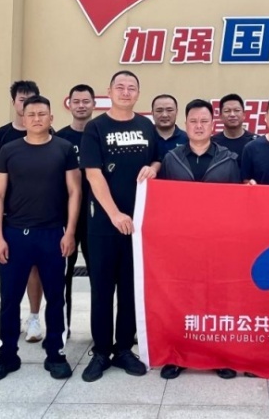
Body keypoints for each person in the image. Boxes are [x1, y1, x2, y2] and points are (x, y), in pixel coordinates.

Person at [0, 96, 80, 382]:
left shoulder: (63, 149)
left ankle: (56, 353)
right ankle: (7, 355)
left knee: (56, 298)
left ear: (51, 118)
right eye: (32, 114)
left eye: (42, 114)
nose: (37, 119)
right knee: (9, 299)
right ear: (23, 118)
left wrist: (70, 232)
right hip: (14, 235)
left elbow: (74, 192)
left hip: (53, 234)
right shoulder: (9, 150)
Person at [80, 71, 160, 382]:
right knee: (102, 289)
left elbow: (157, 159)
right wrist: (114, 214)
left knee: (130, 288)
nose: (126, 92)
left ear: (138, 93)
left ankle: (124, 348)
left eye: (132, 88)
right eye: (120, 87)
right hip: (104, 223)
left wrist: (153, 168)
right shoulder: (96, 127)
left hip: (138, 224)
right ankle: (101, 351)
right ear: (110, 91)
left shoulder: (146, 126)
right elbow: (93, 174)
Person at [158, 99, 241, 381]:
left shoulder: (229, 159)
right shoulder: (172, 159)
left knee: (217, 300)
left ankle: (220, 356)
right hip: (182, 244)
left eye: (204, 121)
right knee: (181, 298)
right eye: (193, 121)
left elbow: (238, 202)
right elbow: (163, 202)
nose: (198, 126)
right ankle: (177, 355)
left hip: (219, 243)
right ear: (185, 124)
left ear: (213, 125)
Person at [0, 80, 47, 343]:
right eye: (22, 100)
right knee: (9, 276)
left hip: (41, 220)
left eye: (32, 99)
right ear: (14, 103)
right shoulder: (2, 136)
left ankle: (34, 317)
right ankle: (9, 324)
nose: (27, 104)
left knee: (35, 270)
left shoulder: (51, 134)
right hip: (9, 219)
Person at [56, 83, 96, 341]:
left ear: (94, 104)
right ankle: (62, 328)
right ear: (69, 104)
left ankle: (99, 330)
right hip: (65, 218)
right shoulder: (59, 139)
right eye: (77, 101)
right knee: (62, 277)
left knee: (99, 277)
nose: (81, 106)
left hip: (96, 217)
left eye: (86, 101)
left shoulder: (100, 135)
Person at [152, 94, 188, 159]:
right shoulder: (146, 138)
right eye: (159, 111)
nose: (164, 115)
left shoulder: (187, 139)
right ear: (152, 113)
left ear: (177, 112)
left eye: (169, 110)